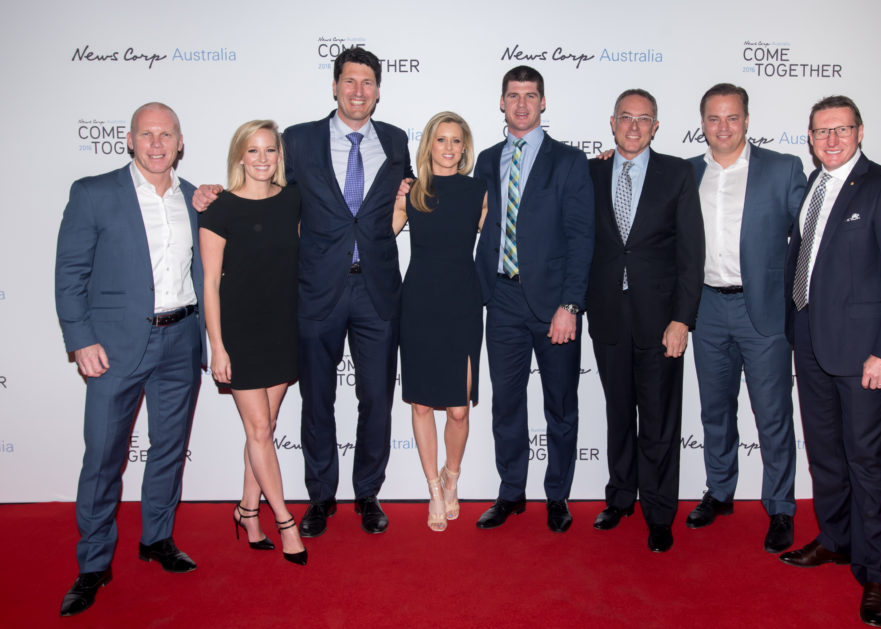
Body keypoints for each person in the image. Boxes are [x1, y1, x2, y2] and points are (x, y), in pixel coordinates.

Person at [193, 48, 413, 537]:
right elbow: (261, 191)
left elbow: (407, 198)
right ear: (334, 86)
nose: (358, 90)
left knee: (376, 398)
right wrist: (211, 195)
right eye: (349, 81)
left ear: (378, 90)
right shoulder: (298, 140)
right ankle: (320, 496)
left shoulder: (397, 141)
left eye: (368, 82)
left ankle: (369, 494)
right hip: (315, 292)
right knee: (317, 399)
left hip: (377, 291)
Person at [55, 102, 205, 617]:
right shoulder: (94, 193)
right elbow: (70, 272)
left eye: (166, 134)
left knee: (168, 449)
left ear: (180, 142)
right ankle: (94, 564)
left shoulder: (194, 199)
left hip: (181, 340)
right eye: (147, 134)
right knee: (102, 459)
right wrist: (80, 339)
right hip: (114, 347)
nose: (157, 143)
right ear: (130, 139)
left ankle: (156, 539)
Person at [780, 95, 881, 628]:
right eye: (821, 132)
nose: (831, 140)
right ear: (810, 137)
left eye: (841, 130)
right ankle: (836, 540)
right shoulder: (813, 188)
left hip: (865, 356)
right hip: (811, 345)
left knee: (866, 463)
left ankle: (876, 575)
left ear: (860, 132)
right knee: (826, 457)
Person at [684, 84, 807, 554]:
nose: (723, 127)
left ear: (748, 120)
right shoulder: (688, 173)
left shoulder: (782, 169)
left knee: (772, 415)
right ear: (703, 123)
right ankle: (720, 492)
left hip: (764, 312)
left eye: (732, 118)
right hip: (708, 309)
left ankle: (780, 507)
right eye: (714, 119)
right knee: (715, 410)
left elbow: (813, 233)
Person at [474, 65, 595, 533]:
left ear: (543, 102)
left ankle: (558, 495)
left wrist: (571, 305)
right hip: (501, 298)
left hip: (554, 306)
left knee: (560, 404)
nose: (521, 103)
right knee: (506, 402)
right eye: (513, 95)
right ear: (501, 103)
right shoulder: (486, 160)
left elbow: (582, 237)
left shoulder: (568, 161)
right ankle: (511, 493)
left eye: (530, 95)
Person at [586, 89, 704, 553]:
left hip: (660, 323)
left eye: (644, 119)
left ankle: (658, 511)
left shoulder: (678, 173)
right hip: (608, 316)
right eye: (626, 118)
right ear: (611, 122)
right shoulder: (590, 173)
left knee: (658, 419)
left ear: (656, 127)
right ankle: (620, 497)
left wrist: (682, 320)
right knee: (617, 414)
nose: (633, 127)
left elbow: (691, 256)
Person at [198, 120, 305, 564]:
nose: (262, 159)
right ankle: (284, 521)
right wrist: (217, 346)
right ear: (240, 156)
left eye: (270, 151)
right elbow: (209, 284)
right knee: (259, 430)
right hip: (239, 333)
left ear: (280, 156)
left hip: (282, 328)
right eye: (253, 151)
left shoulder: (293, 201)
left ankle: (247, 511)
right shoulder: (219, 209)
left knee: (263, 429)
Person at [393, 112, 487, 531]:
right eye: (441, 140)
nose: (448, 148)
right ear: (428, 144)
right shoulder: (410, 191)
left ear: (464, 148)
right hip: (418, 304)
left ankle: (454, 475)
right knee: (420, 403)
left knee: (459, 408)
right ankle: (433, 486)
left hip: (463, 303)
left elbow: (517, 228)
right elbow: (376, 236)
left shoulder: (479, 191)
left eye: (456, 141)